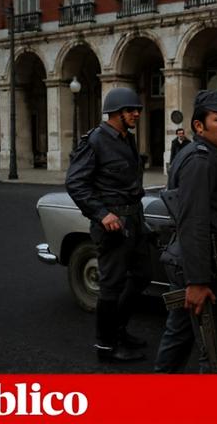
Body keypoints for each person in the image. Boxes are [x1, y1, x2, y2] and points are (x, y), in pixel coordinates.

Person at [155, 90, 217, 373]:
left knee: (179, 338)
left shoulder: (200, 154)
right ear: (199, 126)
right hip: (205, 268)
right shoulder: (201, 161)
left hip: (188, 261)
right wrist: (199, 281)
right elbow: (194, 221)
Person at [66, 87, 150, 363]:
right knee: (111, 285)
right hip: (112, 223)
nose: (136, 114)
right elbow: (75, 183)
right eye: (130, 110)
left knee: (142, 276)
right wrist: (102, 214)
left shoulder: (127, 138)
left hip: (133, 218)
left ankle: (119, 330)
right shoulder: (95, 141)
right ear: (115, 113)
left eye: (137, 109)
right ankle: (106, 346)